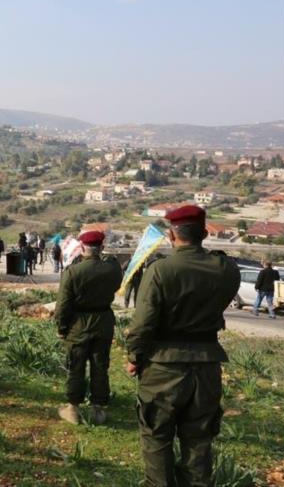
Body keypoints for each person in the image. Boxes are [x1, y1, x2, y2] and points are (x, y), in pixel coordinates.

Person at [125, 205, 240, 486]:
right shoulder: (226, 269)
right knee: (199, 442)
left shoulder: (160, 270)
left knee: (157, 438)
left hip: (163, 365)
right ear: (203, 233)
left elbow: (143, 323)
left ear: (171, 235)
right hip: (207, 364)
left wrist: (134, 356)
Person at [53, 230, 122, 426]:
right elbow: (116, 283)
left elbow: (63, 305)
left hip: (78, 324)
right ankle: (97, 409)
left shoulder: (73, 272)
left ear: (82, 248)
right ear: (101, 247)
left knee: (76, 365)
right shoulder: (113, 269)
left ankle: (73, 408)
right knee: (101, 365)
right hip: (103, 321)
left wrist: (62, 327)